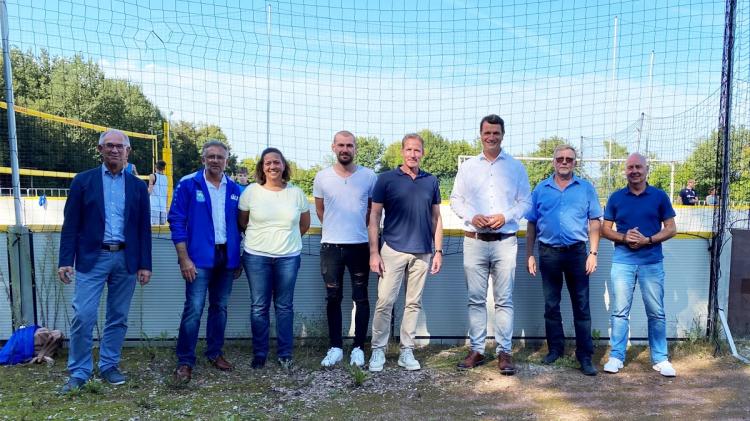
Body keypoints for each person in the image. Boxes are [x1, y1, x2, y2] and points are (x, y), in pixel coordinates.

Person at [57, 129, 152, 393]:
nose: (114, 150)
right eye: (108, 146)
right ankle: (79, 371)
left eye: (119, 146)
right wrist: (66, 260)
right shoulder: (83, 181)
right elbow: (70, 225)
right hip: (91, 258)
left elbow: (144, 228)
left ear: (127, 152)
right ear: (99, 150)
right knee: (83, 316)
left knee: (118, 316)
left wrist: (145, 264)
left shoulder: (137, 186)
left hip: (126, 258)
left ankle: (109, 365)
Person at [449, 114, 530, 375]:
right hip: (474, 241)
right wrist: (472, 216)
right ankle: (477, 350)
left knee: (504, 300)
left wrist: (504, 217)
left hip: (505, 241)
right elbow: (455, 200)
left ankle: (504, 352)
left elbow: (526, 202)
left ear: (503, 135)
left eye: (496, 133)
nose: (491, 137)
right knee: (475, 299)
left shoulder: (516, 167)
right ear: (480, 134)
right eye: (487, 133)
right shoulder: (468, 167)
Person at [169, 140, 242, 383]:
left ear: (226, 161)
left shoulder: (234, 188)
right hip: (197, 259)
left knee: (219, 308)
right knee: (194, 309)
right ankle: (185, 361)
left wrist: (237, 257)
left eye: (220, 157)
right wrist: (184, 258)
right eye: (210, 156)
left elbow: (241, 226)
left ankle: (214, 353)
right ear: (203, 159)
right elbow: (176, 221)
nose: (215, 160)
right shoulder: (189, 183)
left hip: (226, 257)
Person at [368, 133, 443, 373]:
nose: (413, 154)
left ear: (423, 153)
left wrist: (438, 250)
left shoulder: (431, 181)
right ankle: (378, 350)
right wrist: (374, 252)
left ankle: (406, 351)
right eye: (409, 149)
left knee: (413, 303)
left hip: (422, 252)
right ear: (402, 151)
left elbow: (436, 218)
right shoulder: (386, 179)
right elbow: (374, 217)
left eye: (417, 150)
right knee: (385, 302)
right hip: (392, 249)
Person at [525, 145, 601, 376]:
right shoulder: (540, 189)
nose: (564, 162)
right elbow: (531, 224)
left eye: (569, 159)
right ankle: (555, 349)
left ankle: (585, 356)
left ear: (575, 163)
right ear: (554, 162)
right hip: (548, 254)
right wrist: (529, 254)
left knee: (582, 306)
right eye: (560, 158)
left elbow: (595, 221)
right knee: (551, 305)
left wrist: (593, 253)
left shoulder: (586, 189)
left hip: (577, 253)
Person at [601, 153, 678, 377]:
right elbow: (605, 229)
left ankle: (661, 359)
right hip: (623, 262)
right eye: (630, 167)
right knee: (619, 312)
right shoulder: (616, 197)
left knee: (656, 312)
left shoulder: (659, 196)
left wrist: (648, 240)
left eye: (638, 167)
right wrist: (625, 238)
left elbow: (671, 228)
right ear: (625, 171)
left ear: (646, 169)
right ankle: (616, 356)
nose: (634, 171)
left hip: (652, 262)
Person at [239, 147, 310, 370]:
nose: (272, 166)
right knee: (259, 306)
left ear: (283, 165)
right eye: (268, 163)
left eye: (276, 162)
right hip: (256, 256)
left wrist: (285, 241)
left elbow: (304, 224)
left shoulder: (296, 193)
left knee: (284, 306)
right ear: (262, 167)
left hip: (288, 257)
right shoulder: (251, 191)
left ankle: (285, 353)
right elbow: (243, 222)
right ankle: (260, 353)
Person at [313, 131, 377, 368]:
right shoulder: (322, 177)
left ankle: (359, 347)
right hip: (331, 247)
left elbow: (372, 210)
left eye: (349, 145)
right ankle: (336, 347)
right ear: (333, 147)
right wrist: (335, 227)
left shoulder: (369, 176)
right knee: (333, 297)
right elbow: (321, 210)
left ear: (355, 149)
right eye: (341, 145)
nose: (345, 149)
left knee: (361, 297)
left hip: (360, 246)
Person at [148, 160, 168, 225]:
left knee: (154, 228)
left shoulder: (152, 176)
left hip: (154, 206)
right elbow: (166, 194)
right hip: (163, 207)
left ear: (155, 167)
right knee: (162, 230)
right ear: (164, 168)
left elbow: (149, 191)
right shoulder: (166, 178)